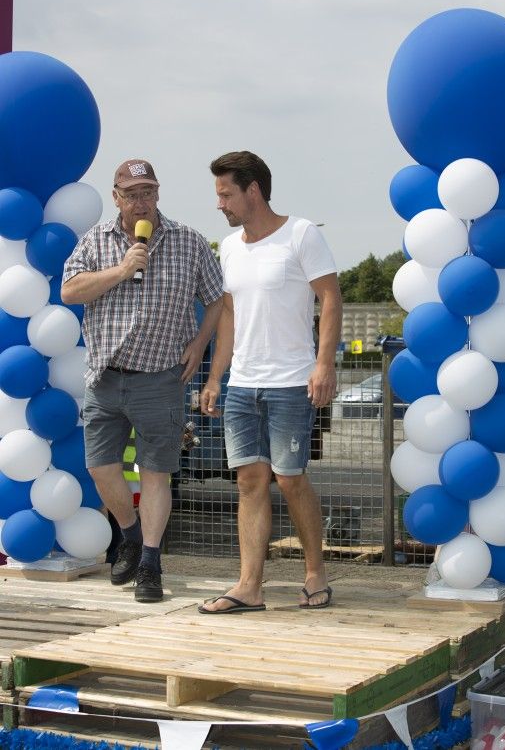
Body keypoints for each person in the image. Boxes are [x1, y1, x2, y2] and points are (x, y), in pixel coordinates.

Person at [61, 159, 223, 603]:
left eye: (147, 192)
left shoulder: (188, 240)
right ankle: (130, 535)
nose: (140, 202)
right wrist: (121, 269)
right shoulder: (95, 240)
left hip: (160, 377)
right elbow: (69, 291)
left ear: (158, 194)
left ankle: (150, 563)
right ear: (116, 198)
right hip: (104, 376)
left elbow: (217, 298)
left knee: (155, 473)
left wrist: (200, 344)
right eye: (131, 194)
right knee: (101, 468)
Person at [199, 151, 342, 614]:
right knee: (249, 481)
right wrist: (216, 377)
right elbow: (229, 315)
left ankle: (315, 573)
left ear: (253, 191)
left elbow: (330, 298)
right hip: (242, 383)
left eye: (226, 194)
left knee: (290, 479)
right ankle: (249, 587)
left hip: (291, 382)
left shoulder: (301, 234)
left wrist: (324, 365)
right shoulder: (230, 247)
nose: (220, 203)